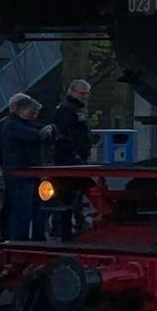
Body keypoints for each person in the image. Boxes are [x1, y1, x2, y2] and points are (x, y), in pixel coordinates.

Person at [0, 93, 54, 241]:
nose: (34, 116)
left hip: (24, 170)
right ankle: (20, 238)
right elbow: (34, 135)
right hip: (20, 171)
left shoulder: (17, 123)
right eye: (32, 112)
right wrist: (45, 132)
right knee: (23, 208)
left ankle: (30, 237)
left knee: (31, 206)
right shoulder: (12, 125)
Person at [47, 79, 93, 240]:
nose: (84, 97)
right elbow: (64, 134)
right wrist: (74, 153)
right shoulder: (66, 109)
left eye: (86, 94)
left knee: (72, 193)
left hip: (74, 156)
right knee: (66, 193)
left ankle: (68, 224)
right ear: (72, 91)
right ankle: (60, 227)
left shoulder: (74, 108)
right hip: (69, 158)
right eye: (82, 93)